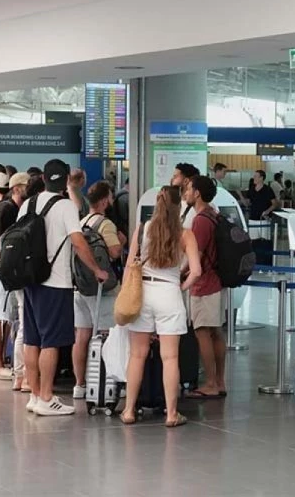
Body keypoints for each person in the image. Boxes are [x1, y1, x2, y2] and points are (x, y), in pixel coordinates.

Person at [20, 159, 108, 416]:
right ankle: (47, 397)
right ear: (66, 180)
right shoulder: (66, 206)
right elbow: (78, 242)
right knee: (50, 342)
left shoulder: (28, 203)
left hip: (31, 280)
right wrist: (96, 269)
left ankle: (35, 395)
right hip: (56, 282)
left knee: (32, 339)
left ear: (44, 178)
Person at [121, 186, 201, 427]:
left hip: (143, 293)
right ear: (179, 206)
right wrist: (182, 286)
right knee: (170, 357)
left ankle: (129, 410)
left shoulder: (142, 229)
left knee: (137, 355)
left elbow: (129, 265)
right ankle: (171, 413)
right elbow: (196, 271)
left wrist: (125, 295)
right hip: (169, 294)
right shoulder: (185, 235)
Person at [72, 181, 123, 399]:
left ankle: (80, 384)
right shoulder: (105, 224)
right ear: (103, 201)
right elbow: (114, 252)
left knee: (82, 336)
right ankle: (105, 382)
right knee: (106, 335)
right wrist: (121, 241)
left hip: (80, 287)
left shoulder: (81, 222)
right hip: (102, 289)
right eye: (110, 197)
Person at [184, 176, 227, 399]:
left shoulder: (200, 221)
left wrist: (180, 274)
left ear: (197, 193)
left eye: (189, 189)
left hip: (204, 284)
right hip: (217, 280)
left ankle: (210, 383)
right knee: (216, 331)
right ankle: (219, 381)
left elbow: (196, 257)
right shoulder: (213, 214)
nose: (186, 192)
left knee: (202, 332)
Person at [0, 173, 27, 380]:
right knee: (1, 316)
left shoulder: (16, 209)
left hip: (8, 272)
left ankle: (1, 360)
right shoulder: (6, 209)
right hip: (1, 273)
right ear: (16, 188)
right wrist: (1, 262)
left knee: (8, 317)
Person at [171, 163, 201, 228]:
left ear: (186, 181)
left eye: (175, 177)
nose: (171, 180)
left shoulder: (200, 207)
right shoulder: (173, 204)